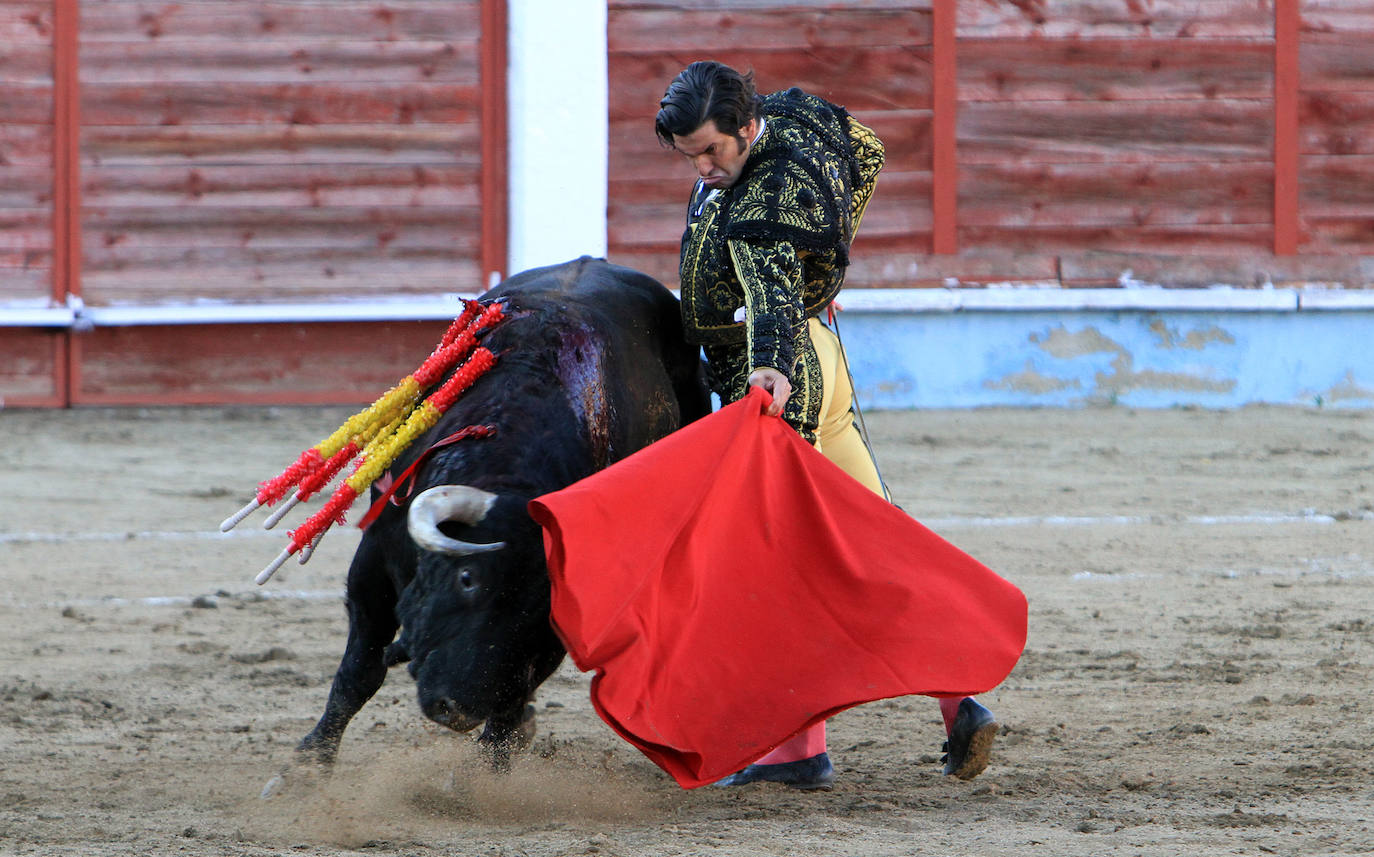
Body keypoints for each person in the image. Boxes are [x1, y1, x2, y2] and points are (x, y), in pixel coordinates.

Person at [654, 60, 998, 790]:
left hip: (783, 376)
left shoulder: (758, 204)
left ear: (746, 128)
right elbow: (866, 152)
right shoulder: (799, 118)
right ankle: (958, 696)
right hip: (827, 354)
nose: (705, 167)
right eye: (691, 156)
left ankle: (795, 751)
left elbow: (771, 301)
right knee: (878, 540)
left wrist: (771, 368)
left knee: (782, 565)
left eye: (712, 150)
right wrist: (829, 266)